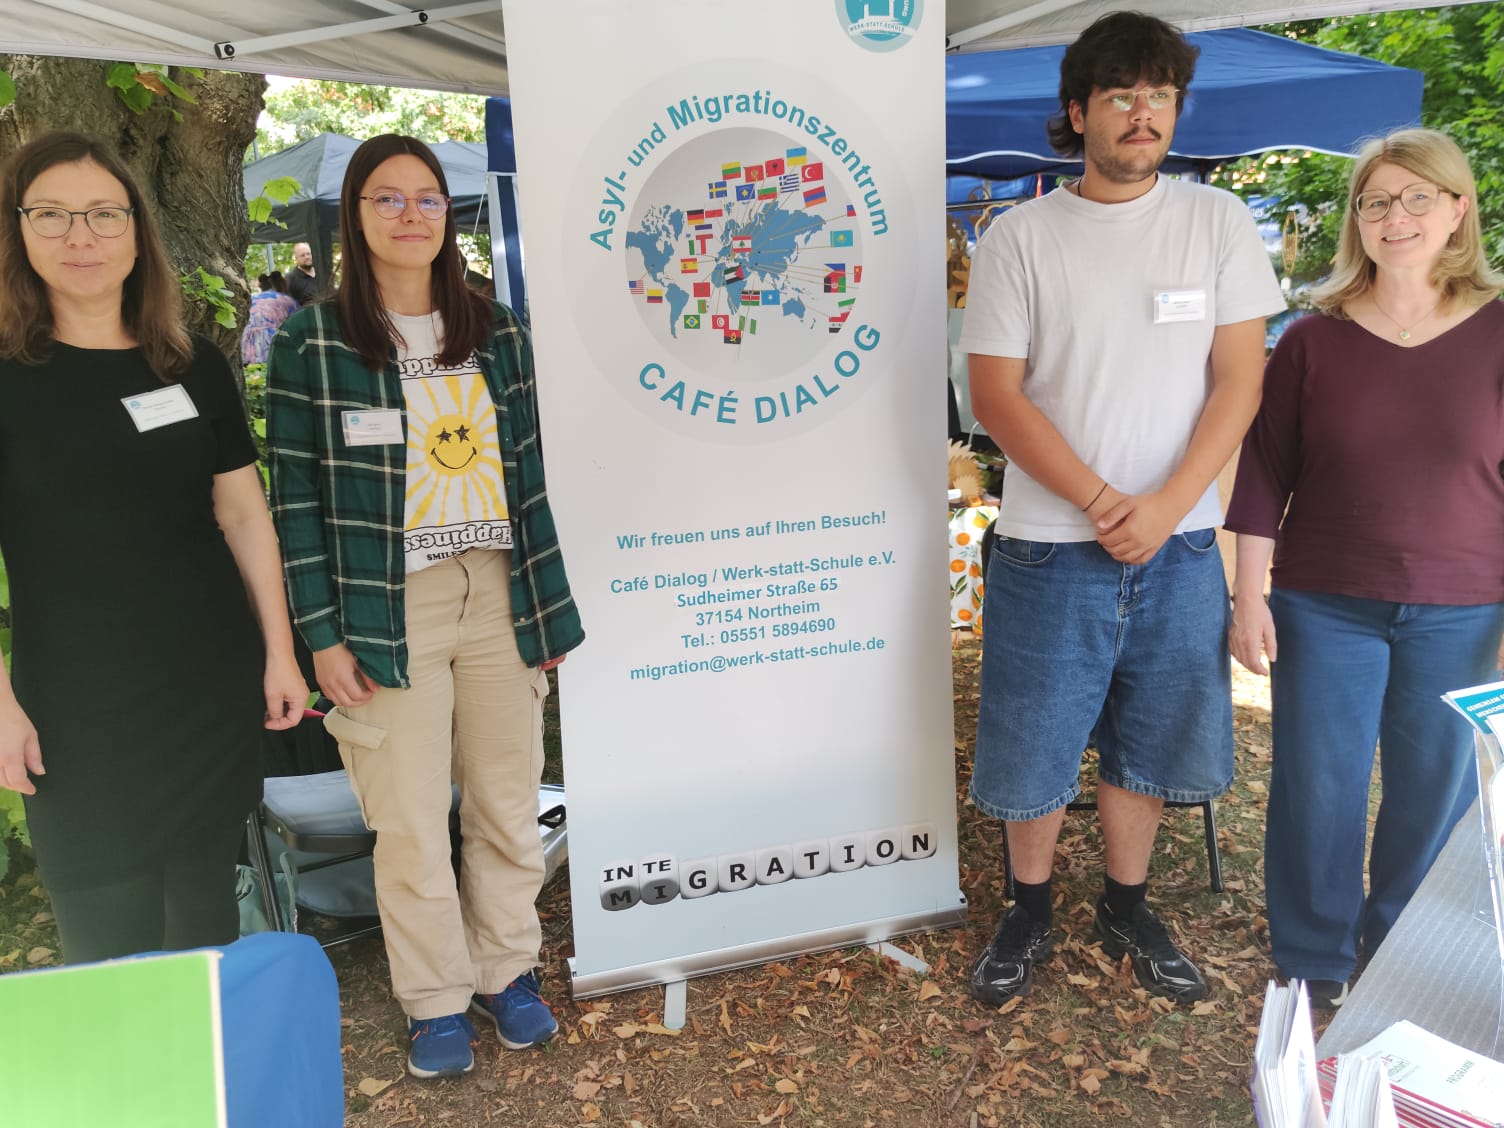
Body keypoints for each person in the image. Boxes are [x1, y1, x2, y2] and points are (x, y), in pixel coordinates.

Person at [960, 11, 1285, 1007]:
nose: (1142, 114)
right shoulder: (1018, 236)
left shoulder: (1217, 223)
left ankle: (1126, 904)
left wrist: (1170, 505)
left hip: (1179, 548)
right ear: (1078, 112)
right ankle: (1029, 908)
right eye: (1119, 96)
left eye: (1159, 96)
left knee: (1149, 739)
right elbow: (996, 396)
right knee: (1034, 741)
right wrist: (1107, 502)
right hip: (1048, 545)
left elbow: (1239, 382)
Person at [267, 134, 584, 1079]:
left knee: (506, 802)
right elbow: (294, 502)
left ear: (449, 215)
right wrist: (320, 636)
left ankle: (505, 971)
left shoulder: (498, 330)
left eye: (428, 199)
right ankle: (435, 998)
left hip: (498, 592)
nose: (411, 215)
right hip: (383, 603)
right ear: (355, 215)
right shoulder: (313, 341)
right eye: (387, 198)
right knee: (406, 817)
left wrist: (543, 609)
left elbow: (530, 476)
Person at [0, 132, 307, 963]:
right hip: (74, 709)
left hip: (205, 687)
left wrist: (280, 655)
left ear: (137, 231)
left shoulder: (191, 365)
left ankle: (207, 1055)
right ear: (18, 230)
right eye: (52, 214)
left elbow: (244, 517)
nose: (82, 236)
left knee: (204, 929)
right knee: (107, 951)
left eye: (104, 214)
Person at [1225, 128, 1504, 1009]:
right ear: (1357, 220)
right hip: (1324, 605)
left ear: (1457, 210)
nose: (1396, 216)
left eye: (1418, 197)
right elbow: (1263, 472)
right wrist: (1247, 596)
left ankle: (1397, 951)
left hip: (1464, 608)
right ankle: (1315, 957)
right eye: (1376, 201)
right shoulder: (1312, 340)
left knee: (1433, 793)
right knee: (1319, 786)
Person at [241, 271, 300, 366]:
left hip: (246, 342)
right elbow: (296, 327)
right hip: (271, 344)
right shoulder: (289, 301)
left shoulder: (253, 298)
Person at [287, 241, 318, 305]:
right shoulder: (291, 279)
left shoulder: (322, 272)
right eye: (302, 255)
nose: (307, 257)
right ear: (296, 258)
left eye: (308, 254)